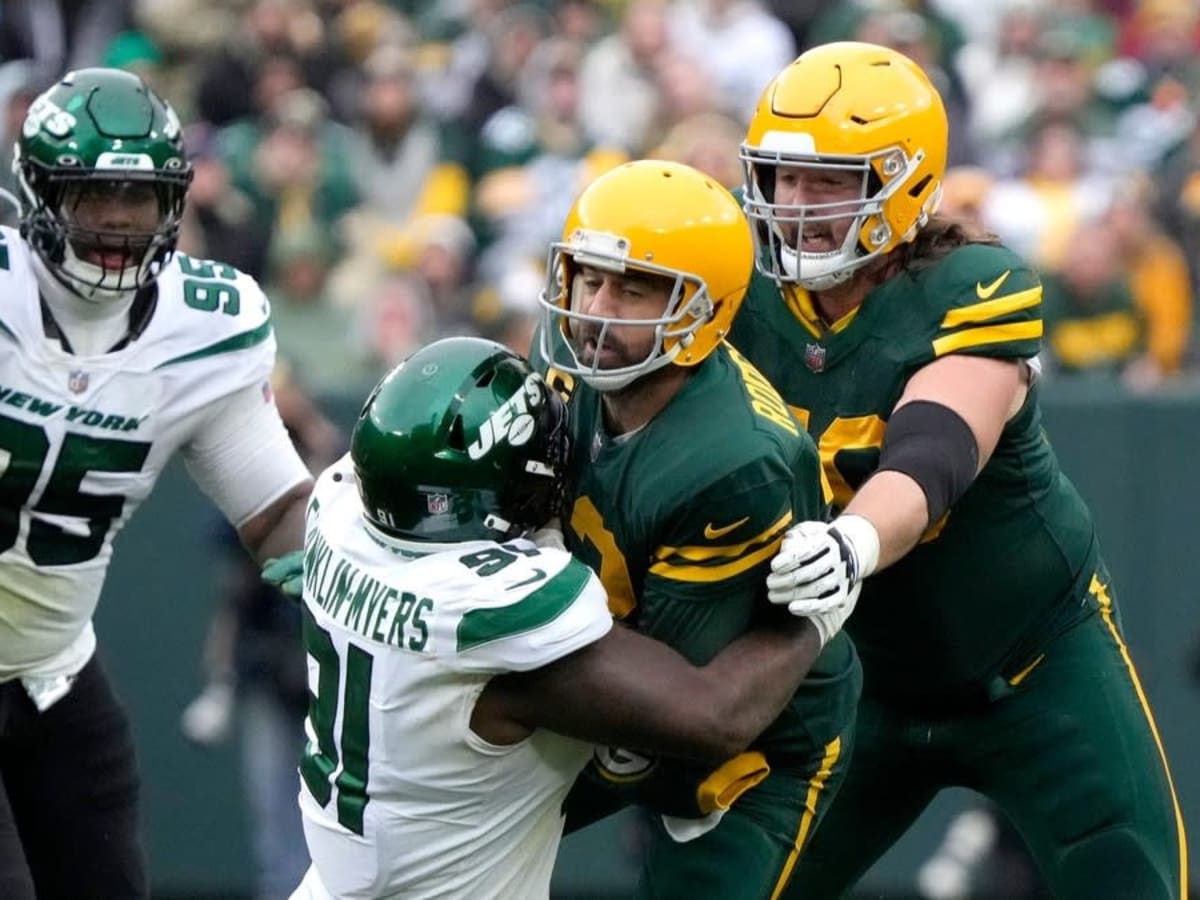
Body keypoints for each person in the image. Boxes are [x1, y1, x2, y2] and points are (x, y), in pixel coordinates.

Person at [729, 41, 1188, 899]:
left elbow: (934, 451)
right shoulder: (737, 295)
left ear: (904, 182)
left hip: (1034, 665)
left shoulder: (972, 282)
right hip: (857, 677)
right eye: (783, 176)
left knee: (1131, 882)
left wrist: (852, 542)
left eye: (830, 180)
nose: (796, 203)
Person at [282, 335, 847, 900]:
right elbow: (715, 716)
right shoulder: (487, 618)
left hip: (334, 875)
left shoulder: (338, 509)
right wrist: (814, 619)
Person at [0, 67, 313, 898]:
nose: (115, 219)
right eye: (92, 192)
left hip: (51, 673)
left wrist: (376, 582)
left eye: (139, 196)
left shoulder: (205, 328)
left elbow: (277, 508)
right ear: (37, 191)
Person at [533, 160, 862, 898]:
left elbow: (658, 712)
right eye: (588, 278)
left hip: (742, 747)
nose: (596, 309)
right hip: (611, 680)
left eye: (634, 287)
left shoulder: (733, 459)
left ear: (706, 310)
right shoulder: (568, 361)